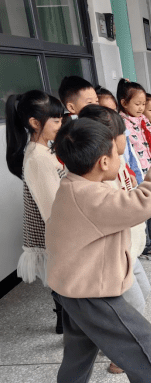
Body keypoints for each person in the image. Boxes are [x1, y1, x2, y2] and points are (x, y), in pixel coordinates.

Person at [47, 118, 151, 383]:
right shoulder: (92, 197)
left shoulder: (72, 185)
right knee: (142, 339)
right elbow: (146, 203)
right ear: (103, 162)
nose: (121, 157)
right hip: (92, 291)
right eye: (118, 153)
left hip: (71, 286)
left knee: (81, 343)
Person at [78, 104, 151, 374]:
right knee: (133, 304)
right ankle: (120, 356)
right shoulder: (99, 180)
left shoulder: (114, 167)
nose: (127, 138)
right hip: (114, 255)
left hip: (128, 248)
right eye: (123, 133)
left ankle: (116, 343)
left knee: (142, 295)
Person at [5, 90, 65, 334]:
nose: (61, 125)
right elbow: (52, 209)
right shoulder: (37, 158)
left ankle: (67, 324)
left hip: (59, 233)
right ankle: (69, 327)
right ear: (34, 123)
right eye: (57, 120)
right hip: (57, 235)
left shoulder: (44, 150)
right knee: (63, 287)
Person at [117, 78, 151, 260]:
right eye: (137, 104)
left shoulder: (142, 119)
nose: (141, 108)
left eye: (143, 104)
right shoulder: (121, 122)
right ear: (124, 103)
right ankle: (145, 243)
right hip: (137, 172)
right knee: (143, 210)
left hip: (149, 168)